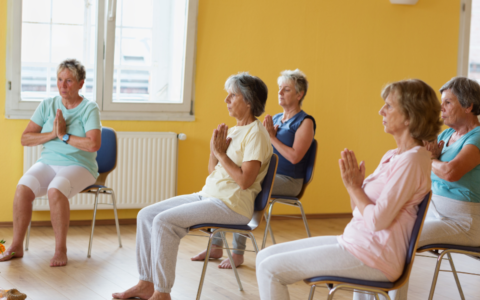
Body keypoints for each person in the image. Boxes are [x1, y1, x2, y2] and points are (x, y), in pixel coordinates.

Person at [255, 79, 442, 300]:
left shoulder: (412, 160)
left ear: (411, 115)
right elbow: (358, 210)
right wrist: (355, 187)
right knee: (264, 257)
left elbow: (377, 221)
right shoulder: (393, 156)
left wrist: (355, 187)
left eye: (389, 106)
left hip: (373, 255)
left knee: (270, 269)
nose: (381, 110)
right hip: (356, 242)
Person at [112, 72, 272, 300]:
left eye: (232, 95)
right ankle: (145, 283)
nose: (226, 99)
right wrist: (213, 152)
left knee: (164, 222)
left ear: (248, 100)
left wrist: (220, 154)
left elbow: (245, 181)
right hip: (209, 195)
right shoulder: (235, 130)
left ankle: (162, 292)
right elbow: (214, 172)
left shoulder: (256, 134)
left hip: (232, 205)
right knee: (146, 215)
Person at [192, 69, 316, 269]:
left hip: (289, 180)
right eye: (279, 89)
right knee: (229, 183)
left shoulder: (305, 122)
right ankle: (216, 245)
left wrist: (273, 137)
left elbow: (295, 157)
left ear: (299, 94)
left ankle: (237, 253)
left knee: (242, 186)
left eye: (286, 90)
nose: (280, 93)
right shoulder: (274, 119)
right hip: (266, 174)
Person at [0, 59, 102, 267]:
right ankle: (16, 246)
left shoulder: (89, 108)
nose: (63, 86)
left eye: (69, 81)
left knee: (55, 190)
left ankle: (60, 250)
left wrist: (64, 136)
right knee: (22, 188)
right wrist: (52, 134)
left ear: (81, 83)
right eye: (59, 80)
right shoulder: (47, 104)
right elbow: (25, 139)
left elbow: (93, 145)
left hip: (80, 165)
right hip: (48, 161)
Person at [386, 77, 480, 300]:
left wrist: (430, 160)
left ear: (468, 106)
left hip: (463, 222)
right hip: (433, 213)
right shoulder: (446, 136)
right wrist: (430, 159)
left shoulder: (477, 136)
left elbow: (450, 172)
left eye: (448, 102)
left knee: (401, 241)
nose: (441, 108)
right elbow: (416, 157)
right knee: (383, 233)